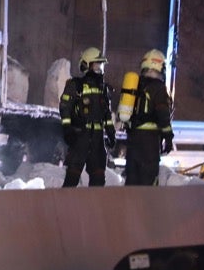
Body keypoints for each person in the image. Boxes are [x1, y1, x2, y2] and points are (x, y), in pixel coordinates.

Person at [59, 47, 113, 187]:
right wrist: (67, 128)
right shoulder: (75, 85)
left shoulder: (104, 89)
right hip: (80, 136)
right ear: (86, 65)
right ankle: (64, 206)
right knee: (72, 177)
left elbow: (106, 113)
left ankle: (95, 208)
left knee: (98, 178)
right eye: (96, 64)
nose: (99, 68)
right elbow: (65, 107)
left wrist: (111, 131)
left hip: (97, 138)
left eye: (101, 65)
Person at [122, 48, 174, 186]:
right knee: (148, 184)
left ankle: (127, 208)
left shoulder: (134, 86)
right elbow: (163, 115)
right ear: (159, 67)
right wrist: (168, 138)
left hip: (133, 140)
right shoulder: (159, 88)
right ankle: (144, 208)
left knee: (131, 182)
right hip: (149, 143)